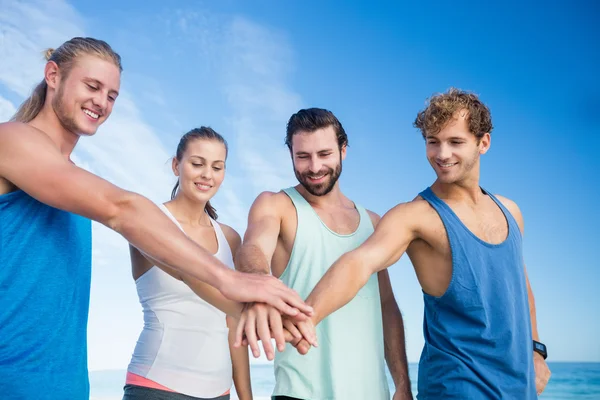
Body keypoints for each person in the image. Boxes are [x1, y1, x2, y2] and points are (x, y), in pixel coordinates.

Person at [0, 37, 310, 400]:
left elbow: (188, 276)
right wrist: (229, 278)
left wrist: (267, 316)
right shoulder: (11, 140)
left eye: (112, 95)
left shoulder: (67, 180)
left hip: (64, 386)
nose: (101, 102)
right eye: (92, 86)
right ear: (53, 75)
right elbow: (122, 209)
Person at [248, 89, 552, 398]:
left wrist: (536, 349)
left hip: (517, 385)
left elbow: (519, 283)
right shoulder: (412, 217)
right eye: (433, 142)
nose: (442, 154)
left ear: (483, 142)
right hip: (456, 386)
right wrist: (301, 320)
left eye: (455, 142)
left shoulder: (510, 211)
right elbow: (358, 263)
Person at [234, 108, 412, 400]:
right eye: (302, 156)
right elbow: (252, 248)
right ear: (290, 154)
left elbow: (387, 306)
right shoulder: (276, 205)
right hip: (300, 392)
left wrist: (402, 384)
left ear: (343, 150)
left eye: (325, 154)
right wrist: (258, 287)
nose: (314, 167)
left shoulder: (374, 223)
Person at [123, 127, 252, 400]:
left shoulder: (230, 238)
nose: (207, 174)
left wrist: (246, 397)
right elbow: (190, 275)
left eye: (217, 167)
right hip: (157, 387)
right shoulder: (149, 219)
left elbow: (234, 324)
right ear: (175, 165)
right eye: (197, 164)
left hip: (219, 392)